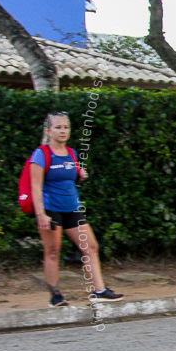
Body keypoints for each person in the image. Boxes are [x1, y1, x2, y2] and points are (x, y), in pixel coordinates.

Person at [29, 112, 123, 307]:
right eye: (58, 127)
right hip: (50, 209)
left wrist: (81, 175)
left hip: (72, 209)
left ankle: (99, 291)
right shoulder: (41, 154)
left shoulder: (72, 153)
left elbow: (70, 179)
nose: (62, 131)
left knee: (90, 247)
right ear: (48, 131)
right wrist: (41, 214)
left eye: (66, 127)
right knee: (53, 251)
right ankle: (55, 295)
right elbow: (35, 186)